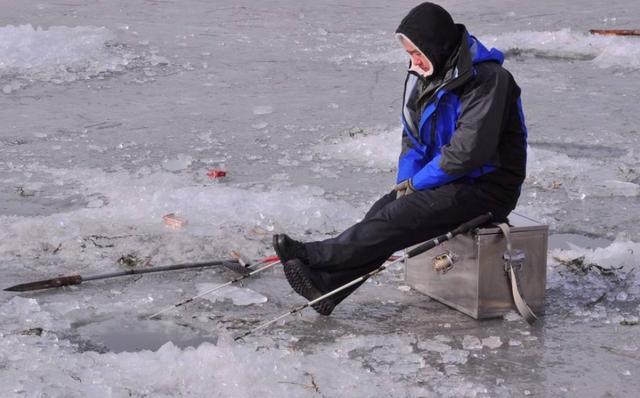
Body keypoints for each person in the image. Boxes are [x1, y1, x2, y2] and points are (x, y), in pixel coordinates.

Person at [273, 2, 528, 315]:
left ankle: (317, 256)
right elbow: (414, 139)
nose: (414, 61)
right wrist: (403, 186)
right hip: (449, 179)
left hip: (489, 187)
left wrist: (417, 184)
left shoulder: (488, 81)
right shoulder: (428, 75)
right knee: (385, 210)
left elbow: (467, 153)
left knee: (397, 218)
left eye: (417, 53)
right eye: (410, 54)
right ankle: (329, 285)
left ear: (436, 46)